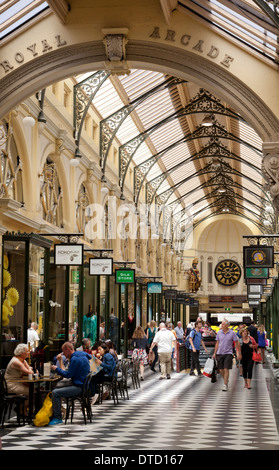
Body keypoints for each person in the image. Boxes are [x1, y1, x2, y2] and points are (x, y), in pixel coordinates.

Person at [49, 342, 91, 425]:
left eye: (64, 352)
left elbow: (68, 375)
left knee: (55, 392)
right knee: (57, 386)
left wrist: (56, 369)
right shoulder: (83, 355)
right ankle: (59, 410)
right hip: (84, 386)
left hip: (79, 388)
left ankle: (58, 417)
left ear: (68, 350)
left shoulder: (75, 359)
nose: (64, 355)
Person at [212, 319, 241, 391]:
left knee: (226, 369)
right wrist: (214, 353)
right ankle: (226, 379)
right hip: (219, 353)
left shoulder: (232, 333)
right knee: (221, 370)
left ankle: (225, 384)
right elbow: (217, 343)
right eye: (222, 324)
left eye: (223, 324)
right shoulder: (219, 333)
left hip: (228, 353)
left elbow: (237, 343)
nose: (222, 325)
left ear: (227, 325)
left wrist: (238, 353)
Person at [5, 344, 34, 411]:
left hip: (17, 383)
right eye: (27, 351)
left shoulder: (21, 360)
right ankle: (21, 409)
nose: (29, 353)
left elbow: (29, 370)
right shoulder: (16, 362)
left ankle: (22, 409)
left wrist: (28, 366)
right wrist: (28, 368)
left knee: (34, 390)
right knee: (33, 392)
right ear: (21, 353)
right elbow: (30, 372)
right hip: (11, 385)